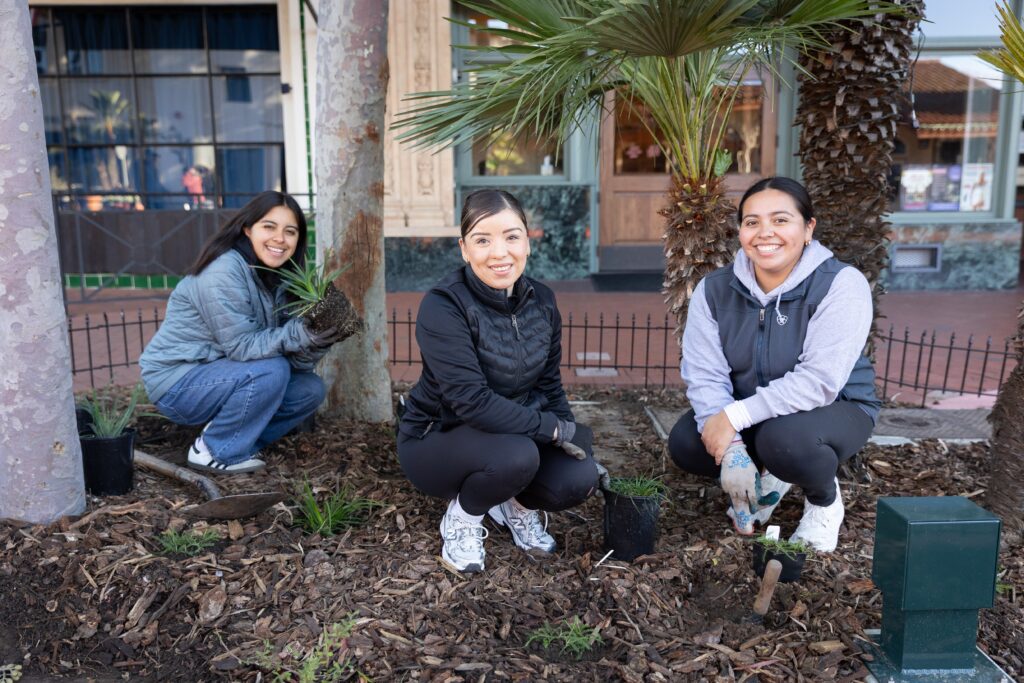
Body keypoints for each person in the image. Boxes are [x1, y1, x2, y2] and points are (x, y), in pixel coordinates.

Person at [668, 177, 880, 552]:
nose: (765, 232)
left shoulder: (841, 284)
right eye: (752, 222)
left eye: (781, 220)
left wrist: (733, 419)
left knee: (783, 441)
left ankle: (824, 503)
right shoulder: (715, 289)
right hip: (753, 411)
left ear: (808, 227)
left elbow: (819, 382)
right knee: (687, 443)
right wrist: (732, 449)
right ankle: (765, 474)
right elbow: (704, 373)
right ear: (740, 231)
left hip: (835, 408)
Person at [398, 189, 600, 573]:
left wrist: (570, 431)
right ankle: (464, 517)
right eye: (482, 240)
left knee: (579, 476)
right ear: (463, 248)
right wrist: (554, 430)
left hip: (513, 435)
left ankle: (513, 506)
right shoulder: (444, 306)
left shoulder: (542, 300)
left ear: (527, 240)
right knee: (516, 457)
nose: (499, 252)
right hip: (437, 439)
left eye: (511, 236)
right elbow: (470, 401)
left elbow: (549, 384)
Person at [140, 191, 345, 474]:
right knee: (271, 370)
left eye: (290, 231)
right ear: (247, 229)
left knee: (310, 389)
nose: (280, 239)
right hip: (178, 381)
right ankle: (213, 450)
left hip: (225, 375)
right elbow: (242, 347)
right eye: (269, 227)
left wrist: (318, 338)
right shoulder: (222, 271)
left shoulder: (283, 278)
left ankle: (236, 440)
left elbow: (295, 361)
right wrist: (298, 333)